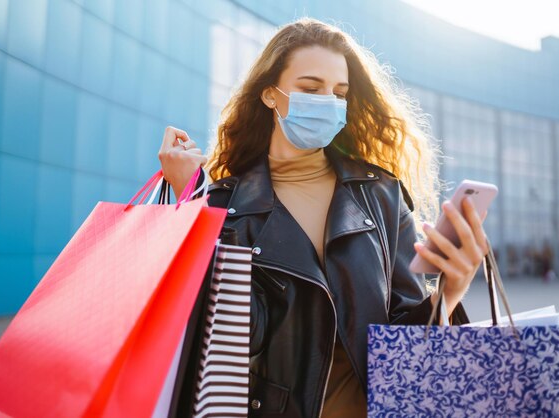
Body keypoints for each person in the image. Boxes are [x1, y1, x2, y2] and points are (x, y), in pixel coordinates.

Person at [158, 18, 489, 418]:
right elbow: (216, 339)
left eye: (339, 93)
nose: (328, 102)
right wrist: (190, 201)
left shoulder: (380, 195)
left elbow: (405, 341)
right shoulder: (224, 203)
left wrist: (450, 291)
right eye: (311, 89)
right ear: (270, 95)